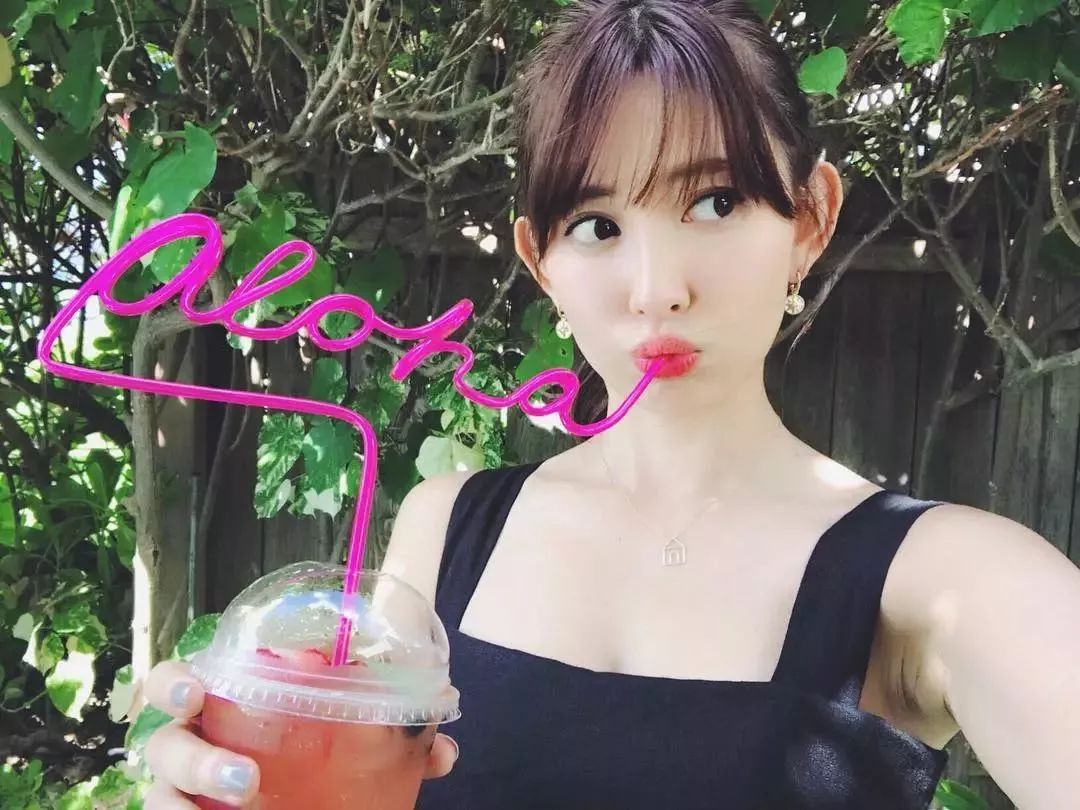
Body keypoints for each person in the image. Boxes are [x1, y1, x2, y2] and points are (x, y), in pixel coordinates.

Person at [140, 1, 1080, 808]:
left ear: (811, 219)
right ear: (540, 259)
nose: (656, 289)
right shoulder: (445, 531)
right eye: (596, 225)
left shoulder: (950, 579)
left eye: (715, 203)